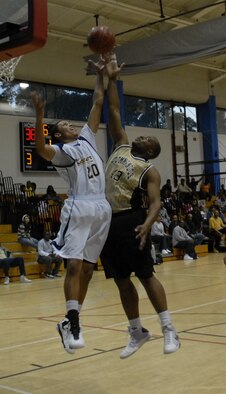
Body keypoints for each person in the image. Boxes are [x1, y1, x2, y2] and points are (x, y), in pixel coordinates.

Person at [101, 53, 180, 359]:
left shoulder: (150, 170)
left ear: (150, 150)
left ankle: (169, 328)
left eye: (147, 137)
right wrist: (113, 78)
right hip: (108, 222)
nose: (142, 135)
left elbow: (157, 201)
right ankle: (137, 331)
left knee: (146, 275)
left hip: (132, 222)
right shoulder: (121, 143)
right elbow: (114, 108)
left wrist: (148, 223)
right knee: (121, 280)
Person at [31, 56, 112, 354]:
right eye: (65, 124)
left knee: (89, 270)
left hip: (101, 209)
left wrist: (101, 74)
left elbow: (98, 101)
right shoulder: (63, 151)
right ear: (59, 134)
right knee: (75, 264)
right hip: (79, 207)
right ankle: (74, 323)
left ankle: (69, 320)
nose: (71, 125)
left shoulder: (88, 138)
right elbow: (40, 149)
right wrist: (40, 115)